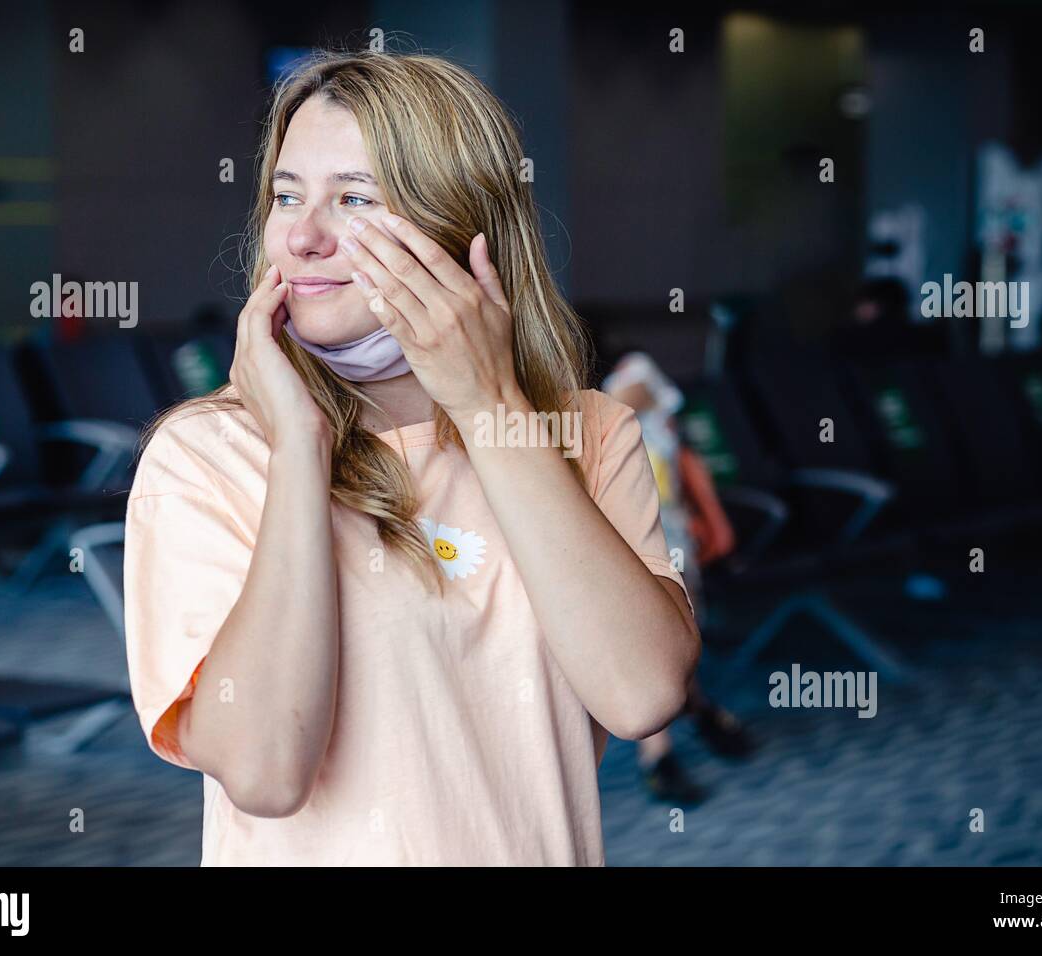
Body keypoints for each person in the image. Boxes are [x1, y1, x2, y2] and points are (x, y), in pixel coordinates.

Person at [122, 47, 699, 866]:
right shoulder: (207, 456)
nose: (304, 236)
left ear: (462, 230)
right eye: (287, 196)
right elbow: (263, 770)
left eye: (354, 199)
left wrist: (488, 406)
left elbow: (642, 693)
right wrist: (299, 452)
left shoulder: (587, 433)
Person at [603, 353, 756, 805]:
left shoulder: (641, 390)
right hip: (622, 552)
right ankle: (662, 755)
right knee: (656, 649)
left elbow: (641, 395)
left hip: (672, 544)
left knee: (675, 648)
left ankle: (700, 713)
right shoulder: (582, 420)